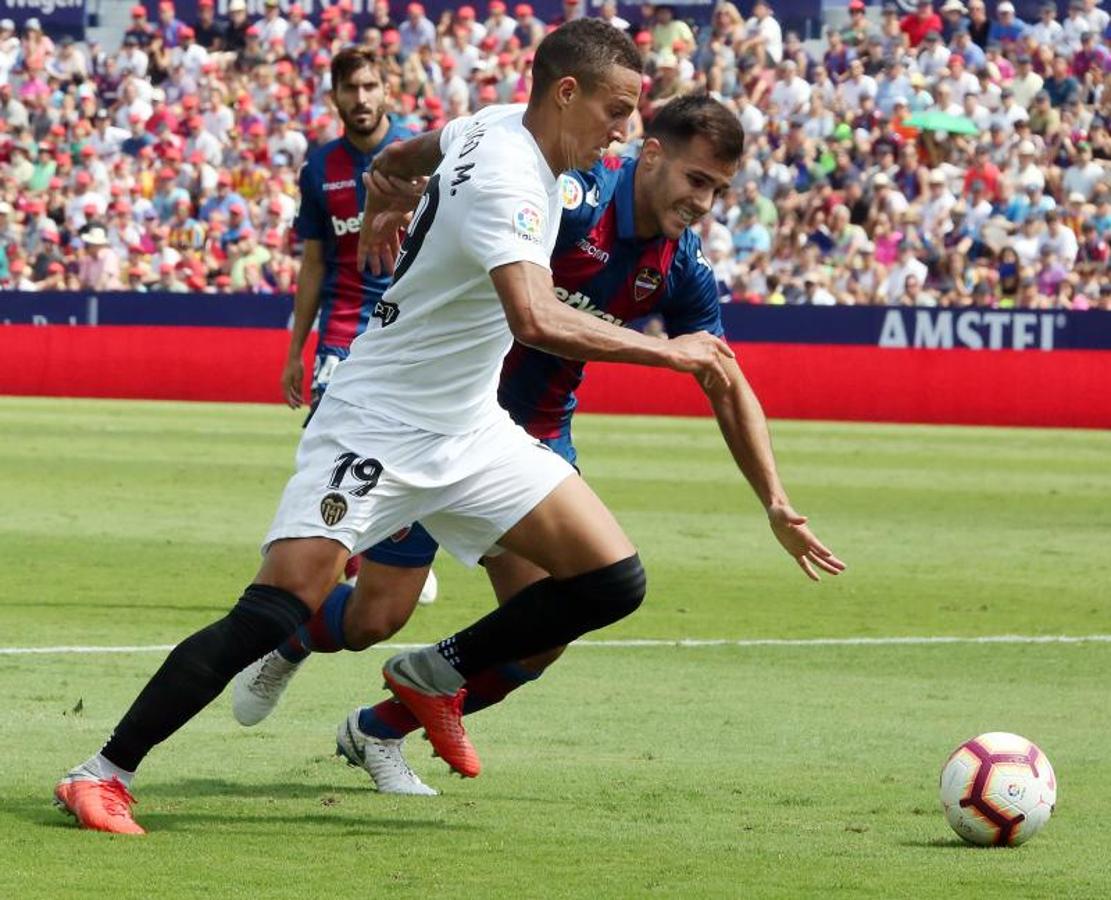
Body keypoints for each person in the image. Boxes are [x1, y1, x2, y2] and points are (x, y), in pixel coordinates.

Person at [52, 18, 734, 836]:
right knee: (277, 607)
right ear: (565, 94)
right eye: (616, 110)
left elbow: (407, 155)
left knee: (609, 580)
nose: (625, 131)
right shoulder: (512, 181)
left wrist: (385, 189)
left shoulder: (493, 125)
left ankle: (430, 674)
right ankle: (102, 772)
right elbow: (534, 316)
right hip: (376, 423)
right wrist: (673, 354)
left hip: (469, 428)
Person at [230, 95, 843, 795]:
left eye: (719, 190)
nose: (704, 202)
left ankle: (377, 729)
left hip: (530, 440)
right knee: (376, 617)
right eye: (696, 180)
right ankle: (296, 639)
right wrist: (406, 206)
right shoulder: (571, 197)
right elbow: (474, 199)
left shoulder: (680, 265)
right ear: (650, 155)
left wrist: (774, 501)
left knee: (545, 630)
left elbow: (722, 376)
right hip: (433, 418)